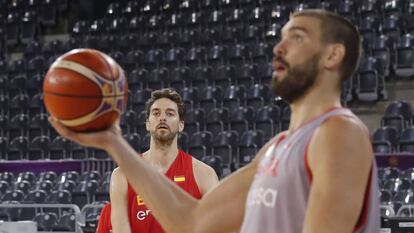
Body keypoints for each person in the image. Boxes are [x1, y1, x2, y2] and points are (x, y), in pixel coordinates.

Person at [51, 9, 380, 233]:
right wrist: (112, 141)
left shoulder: (339, 133)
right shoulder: (276, 148)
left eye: (297, 37)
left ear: (332, 55)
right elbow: (193, 221)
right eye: (280, 37)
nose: (279, 47)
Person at [97, 88, 219, 233]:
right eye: (156, 113)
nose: (162, 118)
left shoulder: (204, 175)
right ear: (148, 123)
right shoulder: (122, 175)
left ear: (181, 125)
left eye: (170, 113)